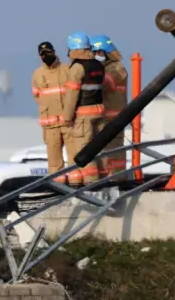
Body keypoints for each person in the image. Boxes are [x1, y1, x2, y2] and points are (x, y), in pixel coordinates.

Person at [31, 41, 80, 176]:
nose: (46, 56)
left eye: (48, 52)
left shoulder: (67, 69)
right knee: (54, 161)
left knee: (75, 157)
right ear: (39, 56)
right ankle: (59, 187)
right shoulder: (37, 74)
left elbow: (75, 92)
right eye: (43, 54)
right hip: (50, 125)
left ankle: (76, 184)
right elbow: (37, 96)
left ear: (54, 52)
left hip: (68, 122)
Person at [65, 32, 106, 186]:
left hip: (84, 115)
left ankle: (92, 183)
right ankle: (103, 179)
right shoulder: (98, 65)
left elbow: (71, 95)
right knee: (98, 149)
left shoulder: (77, 67)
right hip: (99, 111)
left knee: (84, 150)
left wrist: (67, 118)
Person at [90, 35, 130, 179]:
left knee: (112, 151)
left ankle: (116, 179)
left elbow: (106, 84)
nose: (95, 56)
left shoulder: (114, 68)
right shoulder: (113, 67)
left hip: (112, 117)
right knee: (111, 151)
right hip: (112, 116)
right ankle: (115, 177)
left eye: (97, 53)